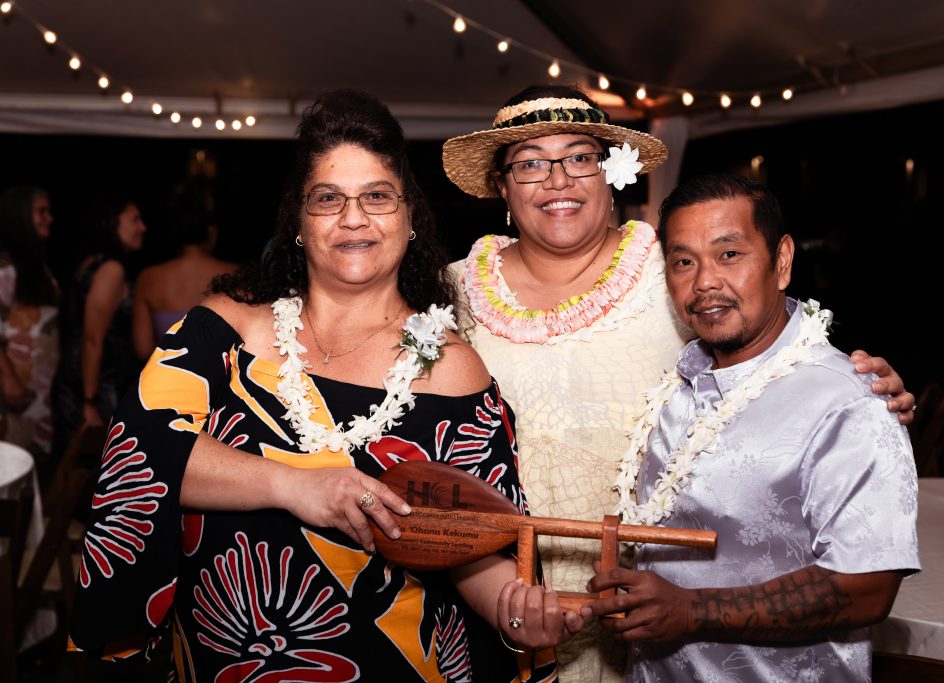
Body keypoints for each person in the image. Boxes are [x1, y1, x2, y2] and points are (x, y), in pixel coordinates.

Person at [69, 89, 579, 682]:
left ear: (410, 218)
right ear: (299, 223)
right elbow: (141, 448)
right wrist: (297, 487)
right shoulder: (226, 326)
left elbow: (478, 544)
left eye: (377, 197)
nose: (353, 218)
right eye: (328, 199)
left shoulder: (450, 368)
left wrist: (516, 616)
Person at [441, 84, 916, 682]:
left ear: (610, 171)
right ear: (502, 186)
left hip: (654, 612)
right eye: (530, 162)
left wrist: (863, 388)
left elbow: (766, 329)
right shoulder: (451, 291)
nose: (557, 179)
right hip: (501, 596)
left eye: (579, 157)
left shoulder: (667, 263)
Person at [582, 173, 919, 681]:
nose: (704, 282)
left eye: (729, 255)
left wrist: (692, 610)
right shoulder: (677, 389)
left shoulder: (848, 400)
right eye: (683, 262)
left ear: (781, 261)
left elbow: (868, 588)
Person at [50, 196, 147, 464]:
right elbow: (93, 338)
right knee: (92, 468)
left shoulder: (93, 261)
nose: (143, 227)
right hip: (94, 383)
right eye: (135, 219)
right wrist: (89, 403)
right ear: (112, 224)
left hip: (80, 375)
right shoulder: (111, 269)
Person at [0, 185, 60, 478]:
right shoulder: (5, 266)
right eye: (41, 211)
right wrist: (9, 381)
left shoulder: (34, 265)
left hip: (38, 396)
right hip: (13, 396)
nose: (49, 218)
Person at [132, 196, 237, 359]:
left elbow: (143, 349)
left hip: (168, 380)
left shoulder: (148, 278)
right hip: (223, 381)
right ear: (210, 232)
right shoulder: (235, 274)